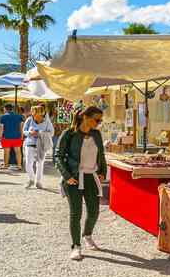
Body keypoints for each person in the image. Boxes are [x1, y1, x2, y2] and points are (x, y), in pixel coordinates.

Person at [54, 106, 107, 261]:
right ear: (85, 117)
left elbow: (101, 154)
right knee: (75, 213)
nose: (98, 123)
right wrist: (66, 175)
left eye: (100, 120)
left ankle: (87, 235)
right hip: (74, 178)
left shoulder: (96, 134)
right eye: (96, 119)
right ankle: (76, 247)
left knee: (94, 211)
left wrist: (103, 171)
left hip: (91, 177)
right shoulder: (69, 134)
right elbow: (58, 156)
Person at [23, 104, 54, 189]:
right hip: (30, 143)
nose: (34, 115)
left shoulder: (47, 122)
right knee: (28, 164)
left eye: (36, 113)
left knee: (40, 164)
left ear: (41, 113)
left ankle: (38, 182)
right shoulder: (29, 120)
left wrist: (40, 133)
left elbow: (51, 133)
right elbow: (24, 131)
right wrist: (30, 133)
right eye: (33, 113)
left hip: (42, 144)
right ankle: (31, 179)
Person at [0, 104, 24, 170]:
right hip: (17, 136)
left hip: (6, 137)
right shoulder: (19, 116)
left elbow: (1, 128)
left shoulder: (3, 117)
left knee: (6, 152)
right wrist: (22, 136)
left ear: (5, 109)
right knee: (18, 152)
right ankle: (19, 166)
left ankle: (6, 165)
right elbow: (21, 127)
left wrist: (0, 137)